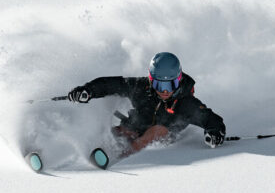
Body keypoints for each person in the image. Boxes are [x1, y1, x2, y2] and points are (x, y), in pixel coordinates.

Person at [67, 52, 226, 157]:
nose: (165, 91)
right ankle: (74, 152)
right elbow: (112, 84)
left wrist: (215, 133)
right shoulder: (142, 88)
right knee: (120, 131)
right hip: (135, 128)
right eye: (159, 85)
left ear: (179, 80)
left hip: (162, 137)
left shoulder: (186, 103)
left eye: (170, 85)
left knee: (157, 130)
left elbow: (211, 120)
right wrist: (88, 91)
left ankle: (123, 158)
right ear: (151, 81)